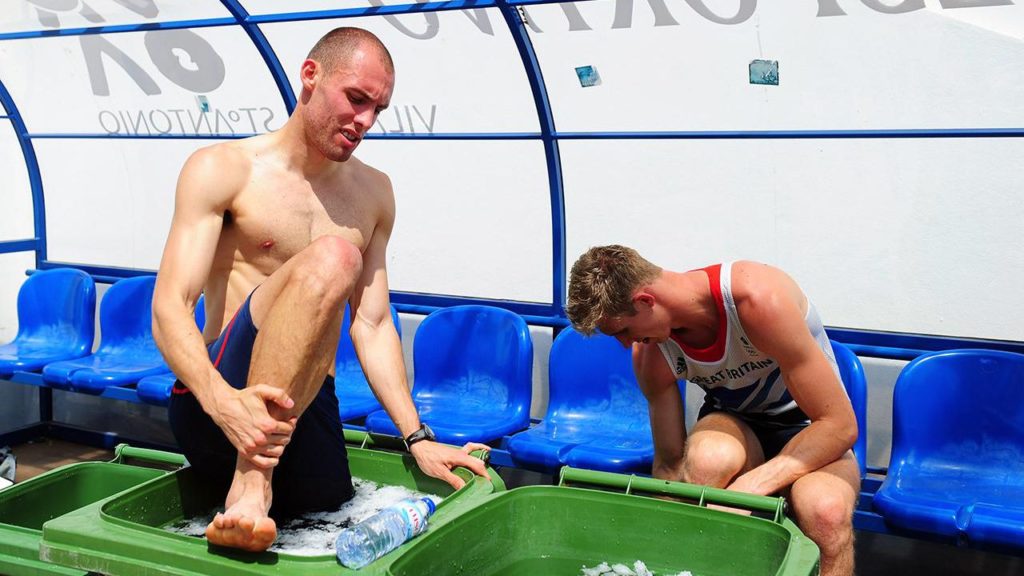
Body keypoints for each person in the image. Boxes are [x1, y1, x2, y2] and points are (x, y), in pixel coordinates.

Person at [152, 27, 489, 553]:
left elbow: (372, 324)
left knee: (324, 518)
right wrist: (223, 404)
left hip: (305, 411)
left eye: (378, 109)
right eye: (356, 99)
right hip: (219, 397)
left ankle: (258, 486)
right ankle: (250, 484)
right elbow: (170, 306)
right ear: (310, 75)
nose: (365, 122)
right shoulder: (224, 169)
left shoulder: (374, 192)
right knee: (336, 256)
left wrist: (418, 438)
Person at [565, 245, 859, 576]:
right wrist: (652, 556)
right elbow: (668, 463)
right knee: (707, 462)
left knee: (826, 513)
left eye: (622, 330)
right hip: (737, 426)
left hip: (810, 427)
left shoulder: (758, 299)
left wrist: (745, 490)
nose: (625, 343)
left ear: (645, 301)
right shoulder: (650, 354)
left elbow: (839, 425)